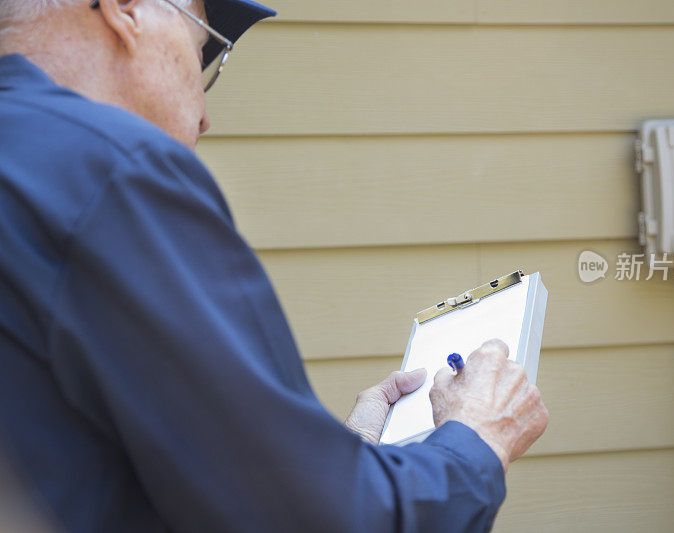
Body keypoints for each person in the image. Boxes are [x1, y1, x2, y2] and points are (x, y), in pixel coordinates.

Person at [0, 0, 549, 531]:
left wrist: (335, 458)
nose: (205, 117)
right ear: (126, 8)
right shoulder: (115, 170)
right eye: (205, 55)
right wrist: (477, 440)